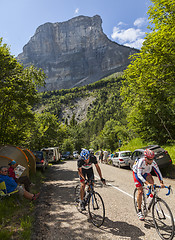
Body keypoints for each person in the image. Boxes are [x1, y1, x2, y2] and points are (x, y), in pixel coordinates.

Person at [133, 149, 165, 221]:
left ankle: (148, 198)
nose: (151, 161)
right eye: (149, 159)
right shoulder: (141, 162)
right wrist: (147, 183)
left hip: (146, 173)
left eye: (152, 159)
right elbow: (139, 175)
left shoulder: (153, 162)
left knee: (152, 184)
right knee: (140, 191)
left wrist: (161, 182)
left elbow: (158, 172)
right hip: (137, 173)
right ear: (145, 158)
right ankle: (139, 210)